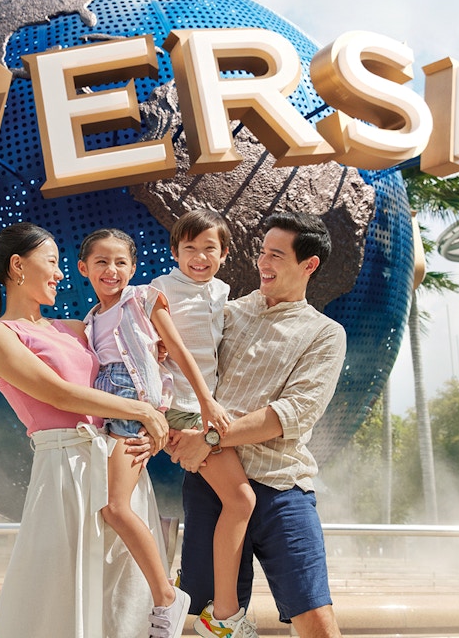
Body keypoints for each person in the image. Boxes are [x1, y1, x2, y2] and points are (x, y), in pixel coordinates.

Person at [0, 222, 173, 638]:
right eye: (52, 262)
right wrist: (141, 411)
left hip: (116, 456)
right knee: (57, 590)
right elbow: (57, 393)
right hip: (64, 469)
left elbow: (132, 363)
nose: (62, 274)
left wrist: (153, 408)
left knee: (123, 592)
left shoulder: (77, 327)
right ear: (17, 265)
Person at [170, 212, 348, 638]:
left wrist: (208, 438)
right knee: (209, 620)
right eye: (262, 252)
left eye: (276, 255)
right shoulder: (226, 314)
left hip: (282, 485)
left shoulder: (325, 334)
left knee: (317, 621)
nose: (263, 263)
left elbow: (294, 412)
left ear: (309, 265)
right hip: (213, 482)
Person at [77, 226, 229, 638]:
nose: (112, 270)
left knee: (115, 507)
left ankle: (168, 596)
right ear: (84, 268)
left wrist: (205, 402)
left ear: (135, 267)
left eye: (121, 261)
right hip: (112, 413)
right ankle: (158, 598)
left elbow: (176, 349)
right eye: (102, 262)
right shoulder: (90, 320)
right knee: (110, 508)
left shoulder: (143, 298)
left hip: (136, 409)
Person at [150, 209, 258, 637]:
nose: (198, 256)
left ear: (224, 253)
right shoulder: (160, 289)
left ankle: (200, 603)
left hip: (205, 407)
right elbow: (164, 347)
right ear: (174, 251)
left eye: (208, 248)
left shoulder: (223, 292)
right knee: (241, 501)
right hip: (181, 408)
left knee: (236, 503)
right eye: (189, 248)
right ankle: (220, 615)